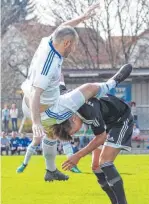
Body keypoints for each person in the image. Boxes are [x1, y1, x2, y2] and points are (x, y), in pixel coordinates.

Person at [17, 1, 132, 180]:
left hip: (31, 105)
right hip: (47, 109)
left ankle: (50, 171)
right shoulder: (48, 66)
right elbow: (36, 94)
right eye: (74, 45)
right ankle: (112, 83)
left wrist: (83, 17)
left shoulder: (48, 43)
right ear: (67, 43)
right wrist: (36, 123)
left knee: (51, 134)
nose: (74, 49)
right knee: (89, 89)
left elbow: (63, 27)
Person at [50, 94, 134, 204]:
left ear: (73, 118)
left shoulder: (89, 111)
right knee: (96, 166)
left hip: (120, 120)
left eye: (73, 132)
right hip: (106, 123)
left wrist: (78, 155)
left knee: (105, 162)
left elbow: (100, 137)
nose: (75, 133)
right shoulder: (70, 105)